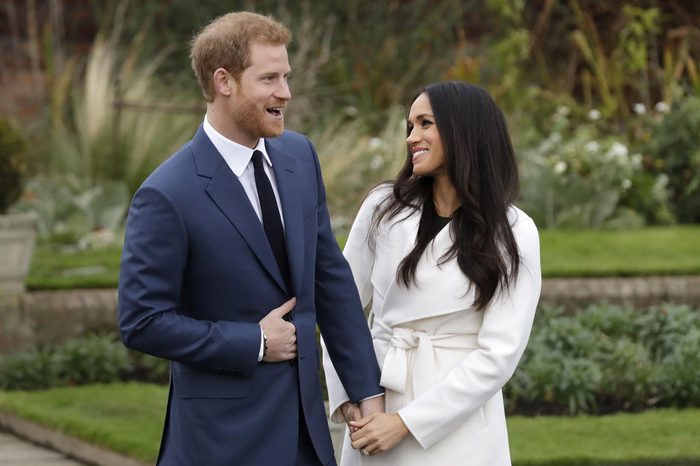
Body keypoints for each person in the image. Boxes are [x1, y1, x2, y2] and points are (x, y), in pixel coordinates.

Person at [118, 11, 383, 466]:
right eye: (269, 78)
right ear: (224, 81)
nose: (286, 92)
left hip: (305, 436)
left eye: (286, 76)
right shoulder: (166, 194)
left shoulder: (300, 156)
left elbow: (330, 281)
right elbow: (141, 320)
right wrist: (254, 342)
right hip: (221, 444)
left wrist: (367, 390)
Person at [322, 81, 541, 465]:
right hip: (375, 404)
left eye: (425, 124)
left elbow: (498, 355)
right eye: (410, 125)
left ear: (463, 131)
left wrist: (406, 423)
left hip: (458, 424)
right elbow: (339, 307)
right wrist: (352, 400)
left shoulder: (514, 232)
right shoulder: (382, 209)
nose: (411, 137)